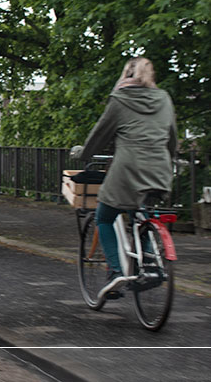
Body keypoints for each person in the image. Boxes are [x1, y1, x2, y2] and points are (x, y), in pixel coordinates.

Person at [73, 57, 177, 300]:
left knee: (104, 216)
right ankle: (150, 263)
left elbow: (100, 133)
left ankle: (116, 272)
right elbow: (172, 138)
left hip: (128, 169)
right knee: (139, 212)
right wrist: (167, 160)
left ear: (126, 74)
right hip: (160, 168)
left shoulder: (120, 99)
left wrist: (83, 154)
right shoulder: (164, 98)